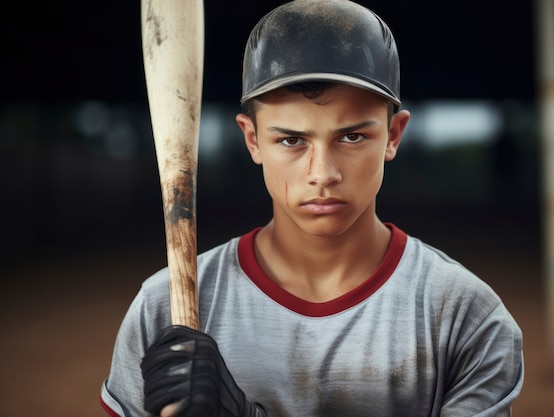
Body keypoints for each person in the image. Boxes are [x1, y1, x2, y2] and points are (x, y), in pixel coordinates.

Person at [100, 1, 524, 416]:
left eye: (352, 137)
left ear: (394, 135)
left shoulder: (463, 314)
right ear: (252, 140)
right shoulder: (163, 310)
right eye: (291, 140)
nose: (322, 174)